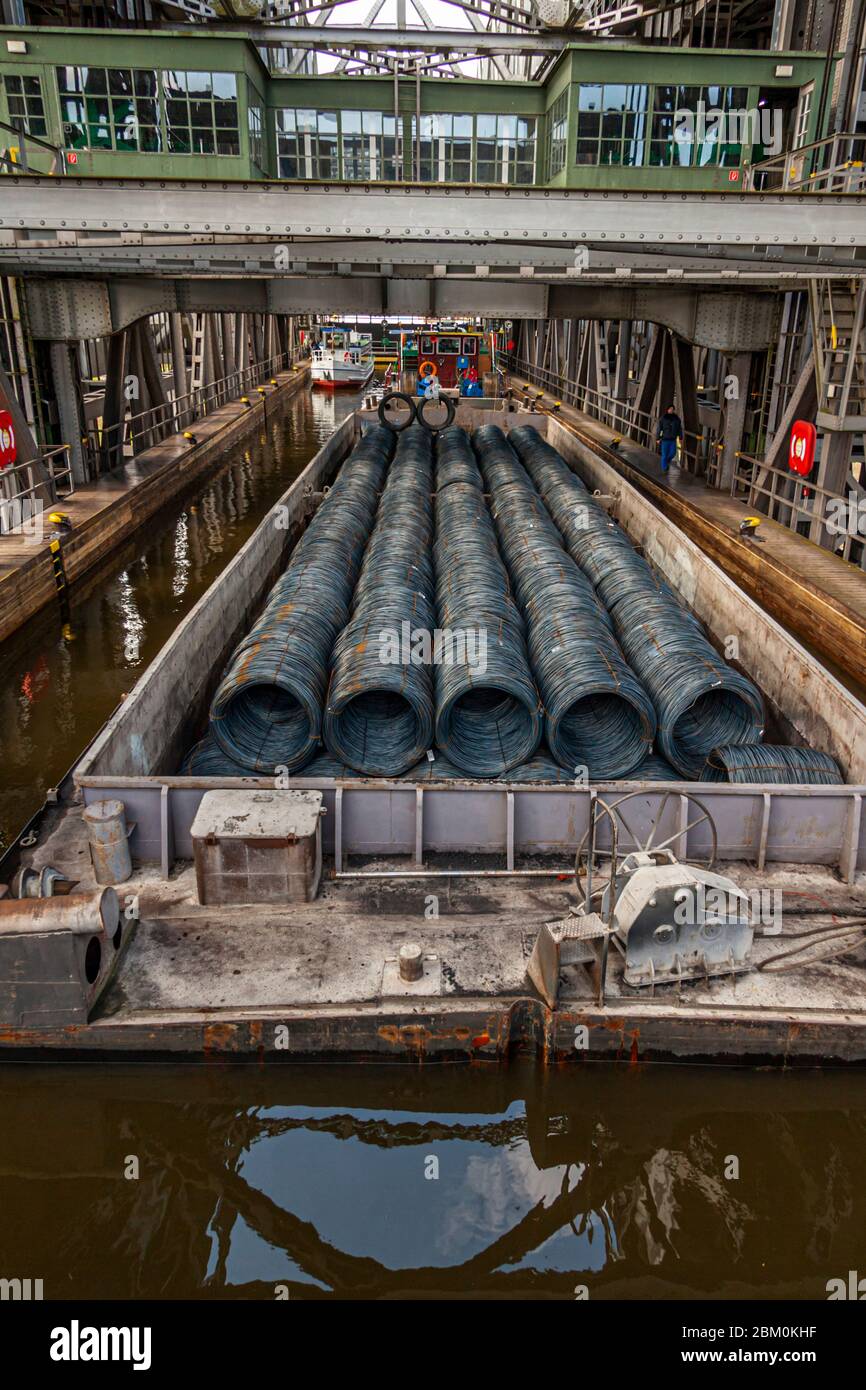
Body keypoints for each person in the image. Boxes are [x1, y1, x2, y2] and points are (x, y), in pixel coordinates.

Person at [657, 405, 682, 473]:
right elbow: (659, 428)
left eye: (672, 409)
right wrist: (658, 438)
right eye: (670, 409)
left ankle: (666, 461)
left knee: (673, 453)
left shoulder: (677, 419)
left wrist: (680, 437)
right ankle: (664, 468)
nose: (671, 410)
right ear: (667, 410)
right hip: (665, 439)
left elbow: (679, 429)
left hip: (673, 440)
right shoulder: (663, 418)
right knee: (664, 455)